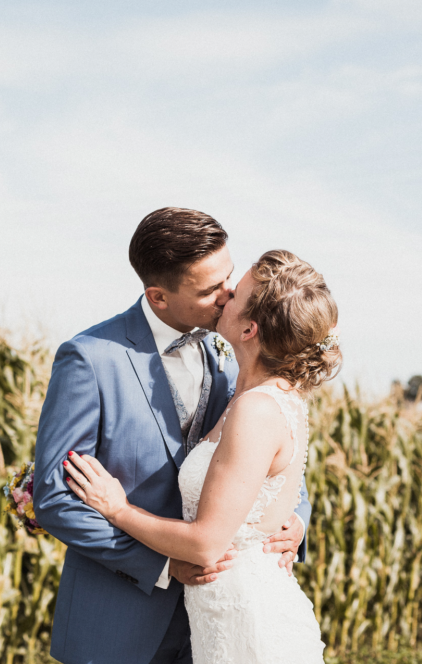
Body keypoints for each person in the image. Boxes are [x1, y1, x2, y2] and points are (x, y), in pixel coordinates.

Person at [32, 210, 312, 664]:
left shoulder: (232, 351)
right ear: (158, 296)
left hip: (220, 622)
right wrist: (163, 565)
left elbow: (276, 459)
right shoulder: (90, 359)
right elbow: (54, 498)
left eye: (228, 279)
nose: (228, 297)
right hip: (118, 625)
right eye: (209, 291)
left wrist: (296, 521)